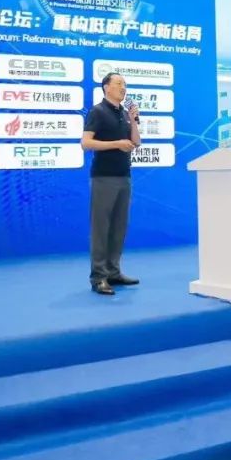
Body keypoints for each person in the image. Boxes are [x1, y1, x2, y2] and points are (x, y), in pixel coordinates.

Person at [81, 72, 141, 295]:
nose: (123, 87)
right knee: (101, 228)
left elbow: (136, 142)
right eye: (118, 83)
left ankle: (114, 272)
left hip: (124, 176)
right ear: (106, 87)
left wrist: (133, 120)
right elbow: (86, 143)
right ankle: (98, 277)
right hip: (103, 177)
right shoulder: (97, 111)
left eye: (124, 84)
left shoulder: (124, 113)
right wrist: (116, 143)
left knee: (118, 227)